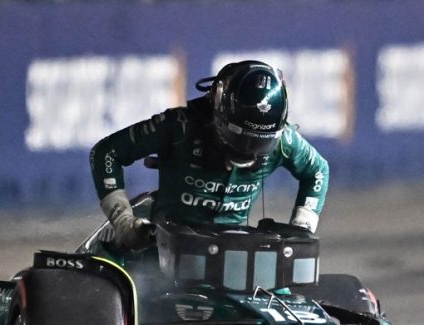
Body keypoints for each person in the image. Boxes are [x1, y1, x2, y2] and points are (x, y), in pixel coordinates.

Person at [89, 60, 329, 250]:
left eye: (261, 142)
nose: (249, 150)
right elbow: (106, 152)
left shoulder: (285, 141)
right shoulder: (179, 126)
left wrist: (302, 228)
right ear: (219, 114)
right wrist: (123, 224)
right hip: (162, 247)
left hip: (236, 253)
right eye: (242, 138)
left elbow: (318, 170)